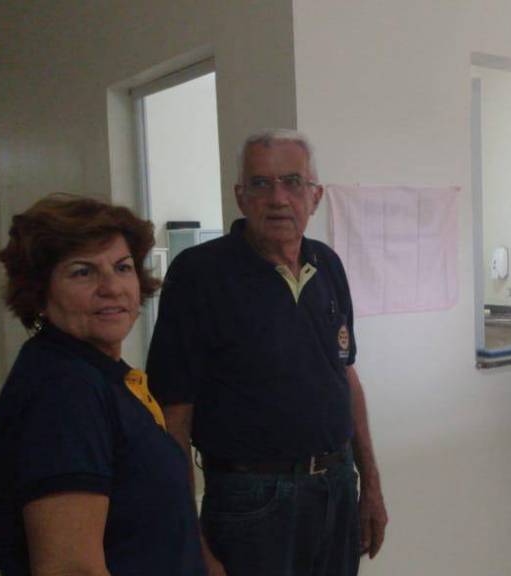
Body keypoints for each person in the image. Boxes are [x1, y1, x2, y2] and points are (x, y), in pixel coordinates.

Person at [147, 129, 387, 576]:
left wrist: (370, 484)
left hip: (336, 486)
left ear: (315, 196)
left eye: (292, 182)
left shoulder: (328, 265)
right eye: (261, 183)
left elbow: (345, 376)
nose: (278, 199)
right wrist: (190, 536)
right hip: (250, 501)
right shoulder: (199, 275)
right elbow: (173, 414)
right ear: (241, 197)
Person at [0, 195, 205, 575]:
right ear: (40, 292)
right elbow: (70, 568)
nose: (112, 287)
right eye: (82, 272)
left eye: (122, 268)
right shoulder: (64, 392)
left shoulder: (100, 372)